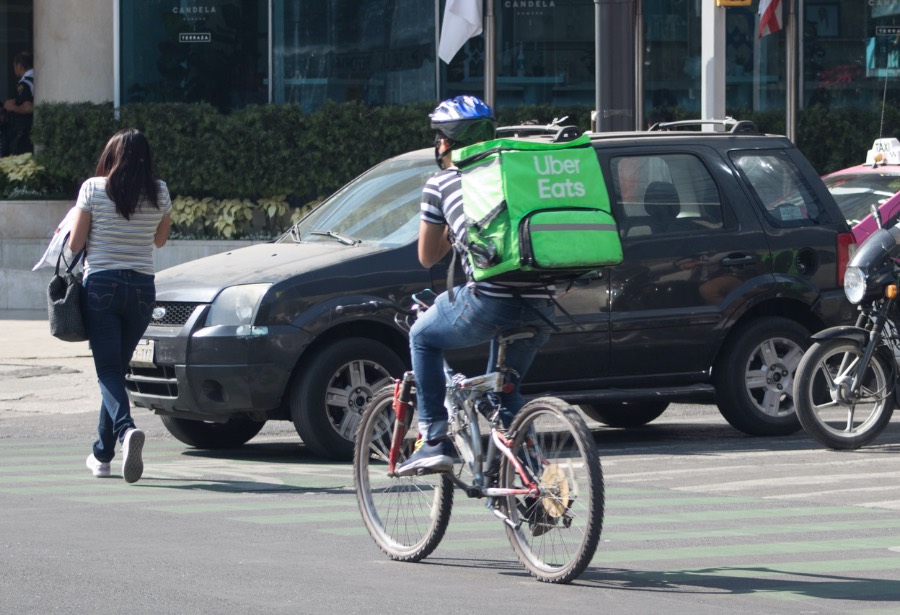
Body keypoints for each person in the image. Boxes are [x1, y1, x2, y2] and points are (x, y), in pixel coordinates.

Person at [396, 95, 555, 476]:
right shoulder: (515, 174)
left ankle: (432, 438)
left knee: (421, 336)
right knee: (504, 394)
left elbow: (427, 257)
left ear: (446, 141)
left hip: (490, 301)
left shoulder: (441, 183)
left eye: (439, 137)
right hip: (543, 302)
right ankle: (536, 486)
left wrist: (453, 229)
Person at [67, 128, 172, 484]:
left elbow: (75, 244)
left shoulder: (93, 188)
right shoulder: (159, 191)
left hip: (102, 286)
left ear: (112, 156)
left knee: (108, 371)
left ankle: (126, 430)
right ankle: (102, 455)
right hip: (142, 289)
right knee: (114, 369)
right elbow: (159, 240)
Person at [1, 51, 35, 156]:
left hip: (24, 133)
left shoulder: (24, 84)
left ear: (19, 66)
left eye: (15, 66)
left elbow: (29, 107)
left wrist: (12, 107)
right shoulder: (35, 79)